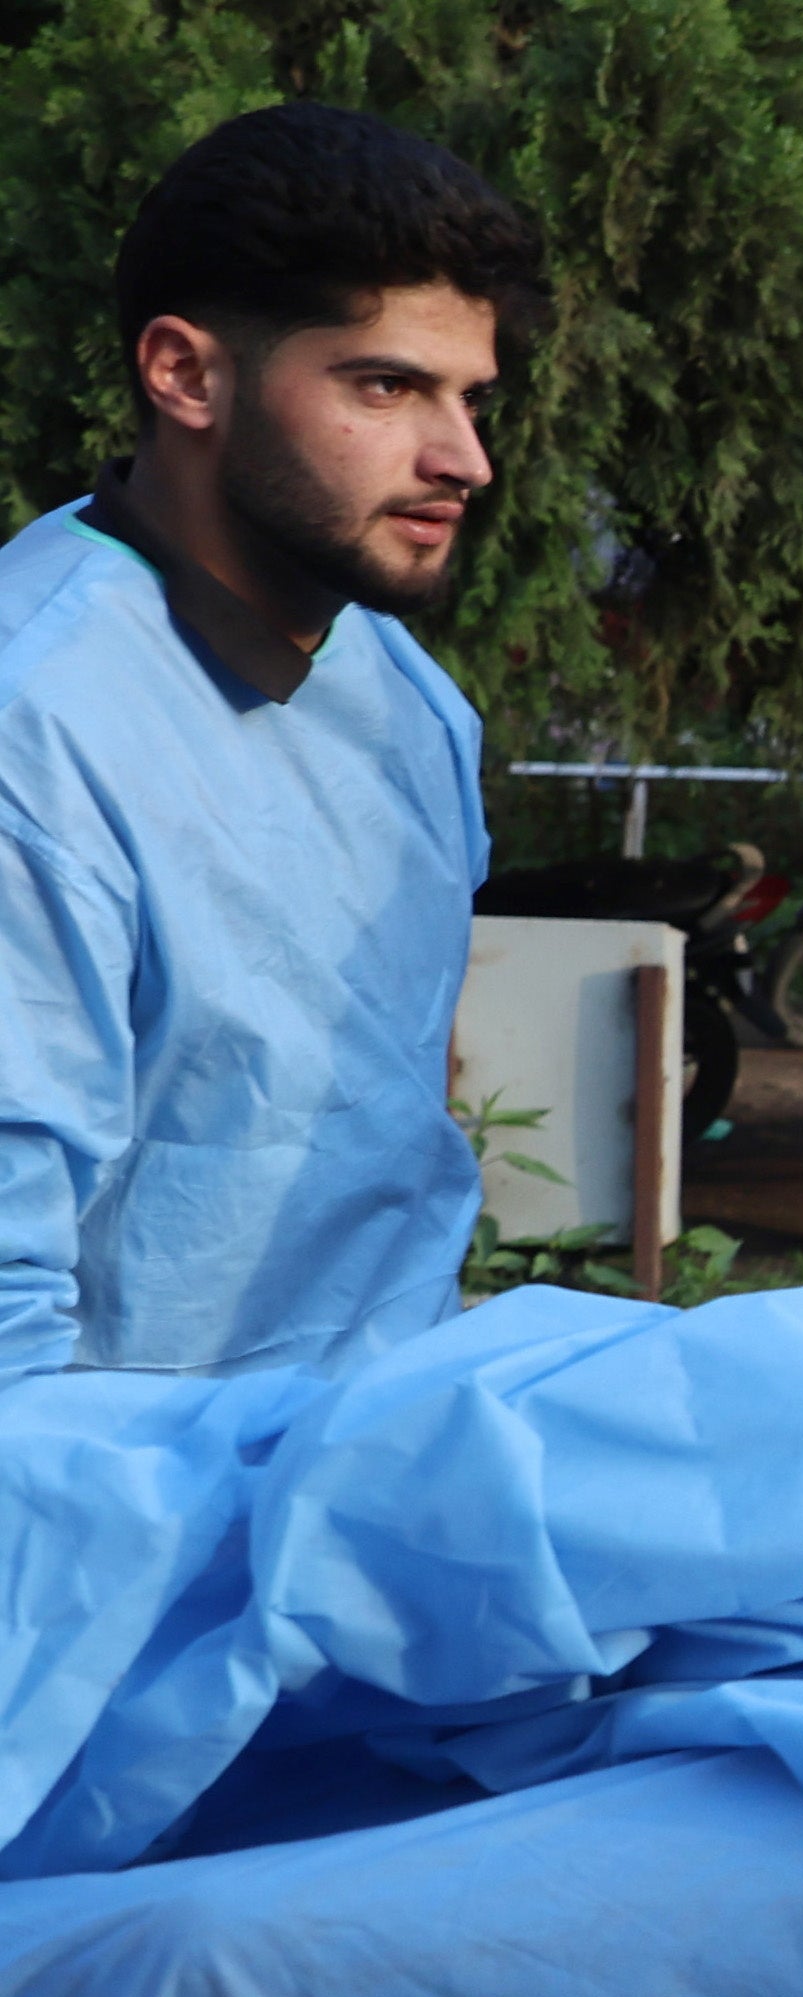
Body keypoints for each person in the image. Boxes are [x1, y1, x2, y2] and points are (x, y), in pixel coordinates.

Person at [0, 104, 540, 1382]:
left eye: (471, 397)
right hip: (115, 1542)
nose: (462, 457)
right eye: (387, 384)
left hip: (367, 1489)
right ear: (185, 373)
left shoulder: (411, 699)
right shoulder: (39, 721)